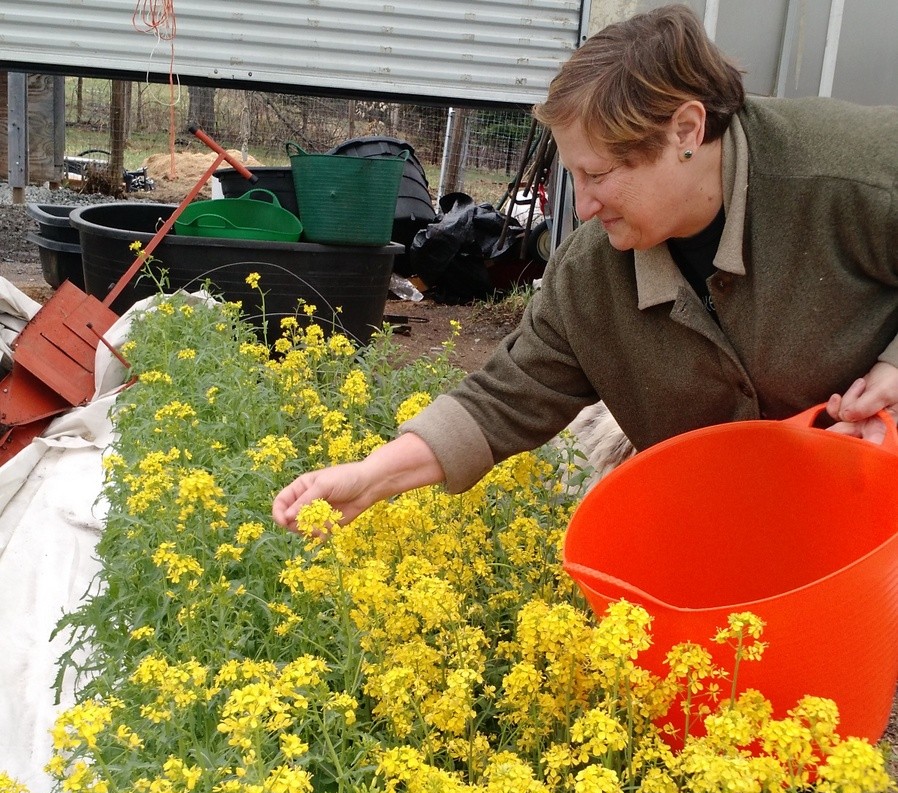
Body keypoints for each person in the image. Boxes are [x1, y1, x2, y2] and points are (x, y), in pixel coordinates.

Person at [273, 3, 898, 534]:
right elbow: (505, 396)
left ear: (686, 129)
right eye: (576, 174)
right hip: (737, 531)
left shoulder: (850, 176)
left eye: (600, 175)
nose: (586, 203)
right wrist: (368, 478)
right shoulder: (593, 272)